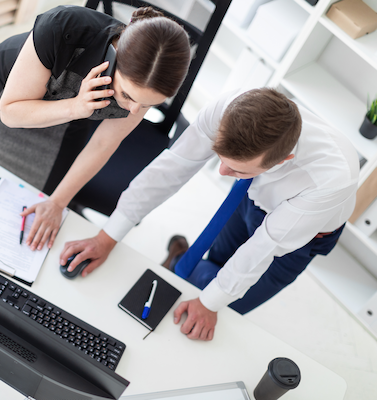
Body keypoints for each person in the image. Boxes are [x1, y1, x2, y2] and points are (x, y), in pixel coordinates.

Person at [60, 87, 359, 341]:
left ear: (284, 159)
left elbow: (263, 248)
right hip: (248, 201)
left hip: (300, 237)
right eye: (220, 158)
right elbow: (171, 168)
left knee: (224, 309)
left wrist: (209, 303)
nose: (222, 172)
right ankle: (180, 258)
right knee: (213, 265)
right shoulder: (232, 106)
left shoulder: (330, 179)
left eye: (237, 169)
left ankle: (181, 260)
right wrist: (107, 236)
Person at [0, 5, 191, 251]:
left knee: (47, 193)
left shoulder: (150, 78)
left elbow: (103, 143)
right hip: (15, 98)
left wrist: (57, 203)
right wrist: (75, 107)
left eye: (148, 105)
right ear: (114, 58)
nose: (134, 111)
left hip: (74, 115)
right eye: (128, 96)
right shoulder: (62, 27)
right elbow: (10, 113)